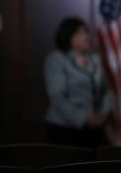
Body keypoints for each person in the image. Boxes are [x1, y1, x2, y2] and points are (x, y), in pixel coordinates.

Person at [44, 17, 114, 147]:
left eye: (85, 32)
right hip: (64, 128)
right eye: (79, 33)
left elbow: (107, 91)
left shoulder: (96, 59)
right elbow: (57, 97)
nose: (85, 36)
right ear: (67, 36)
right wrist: (84, 118)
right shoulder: (56, 60)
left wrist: (102, 115)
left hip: (94, 129)